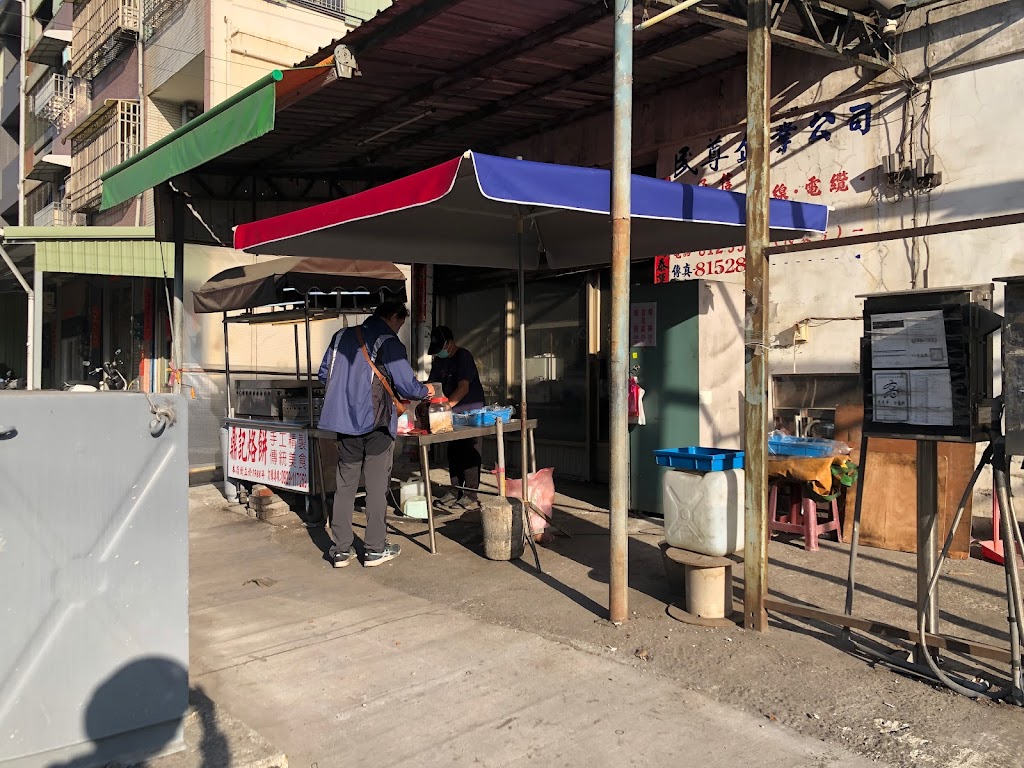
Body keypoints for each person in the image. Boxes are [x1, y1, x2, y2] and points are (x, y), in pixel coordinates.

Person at [318, 302, 433, 568]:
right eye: (399, 323)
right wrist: (424, 390)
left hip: (344, 423)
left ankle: (341, 550)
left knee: (345, 485)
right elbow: (406, 385)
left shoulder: (340, 337)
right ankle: (373, 549)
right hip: (376, 423)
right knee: (376, 486)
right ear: (393, 316)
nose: (398, 328)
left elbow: (325, 374)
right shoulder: (387, 341)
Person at [427, 325, 486, 510]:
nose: (440, 353)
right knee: (453, 451)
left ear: (450, 343)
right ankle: (455, 490)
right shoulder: (439, 361)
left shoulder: (463, 357)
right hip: (450, 413)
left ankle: (470, 494)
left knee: (468, 452)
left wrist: (445, 406)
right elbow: (432, 384)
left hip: (470, 412)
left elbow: (463, 387)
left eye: (442, 349)